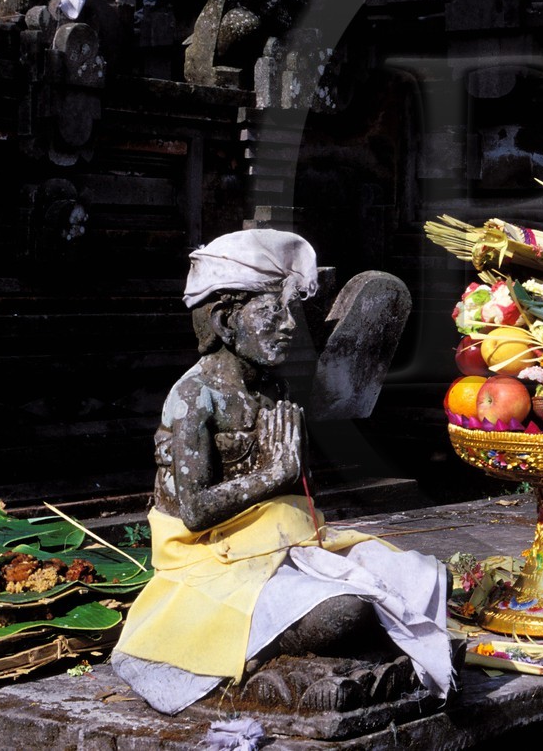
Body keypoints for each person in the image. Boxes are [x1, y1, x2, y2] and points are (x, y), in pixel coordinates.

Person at [112, 230, 452, 714]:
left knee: (423, 576)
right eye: (273, 312)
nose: (290, 326)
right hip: (214, 564)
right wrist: (274, 475)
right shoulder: (193, 397)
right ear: (225, 321)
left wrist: (292, 469)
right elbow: (193, 512)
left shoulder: (273, 387)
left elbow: (295, 485)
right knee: (345, 613)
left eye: (291, 312)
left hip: (286, 546)